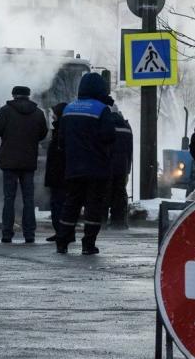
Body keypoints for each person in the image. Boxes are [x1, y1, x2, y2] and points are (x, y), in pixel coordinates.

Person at [56, 73, 115, 255]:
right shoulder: (101, 109)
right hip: (96, 168)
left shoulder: (69, 109)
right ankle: (88, 244)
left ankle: (62, 241)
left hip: (73, 167)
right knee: (93, 206)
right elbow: (109, 136)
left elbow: (61, 140)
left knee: (71, 204)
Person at [0, 86, 48, 244]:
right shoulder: (38, 113)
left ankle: (7, 234)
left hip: (9, 162)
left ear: (14, 95)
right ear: (28, 96)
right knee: (29, 199)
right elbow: (43, 134)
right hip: (29, 162)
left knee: (9, 198)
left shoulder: (5, 111)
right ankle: (29, 234)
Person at [44, 102, 68, 242]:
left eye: (54, 114)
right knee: (57, 203)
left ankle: (62, 232)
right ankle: (60, 231)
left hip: (60, 175)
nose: (52, 117)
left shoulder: (61, 131)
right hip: (59, 174)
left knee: (59, 203)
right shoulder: (59, 130)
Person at [106, 103, 132, 229]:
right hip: (123, 166)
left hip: (107, 164)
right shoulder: (126, 126)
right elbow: (129, 150)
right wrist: (128, 170)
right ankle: (119, 222)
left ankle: (101, 221)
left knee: (104, 193)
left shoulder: (107, 125)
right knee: (120, 193)